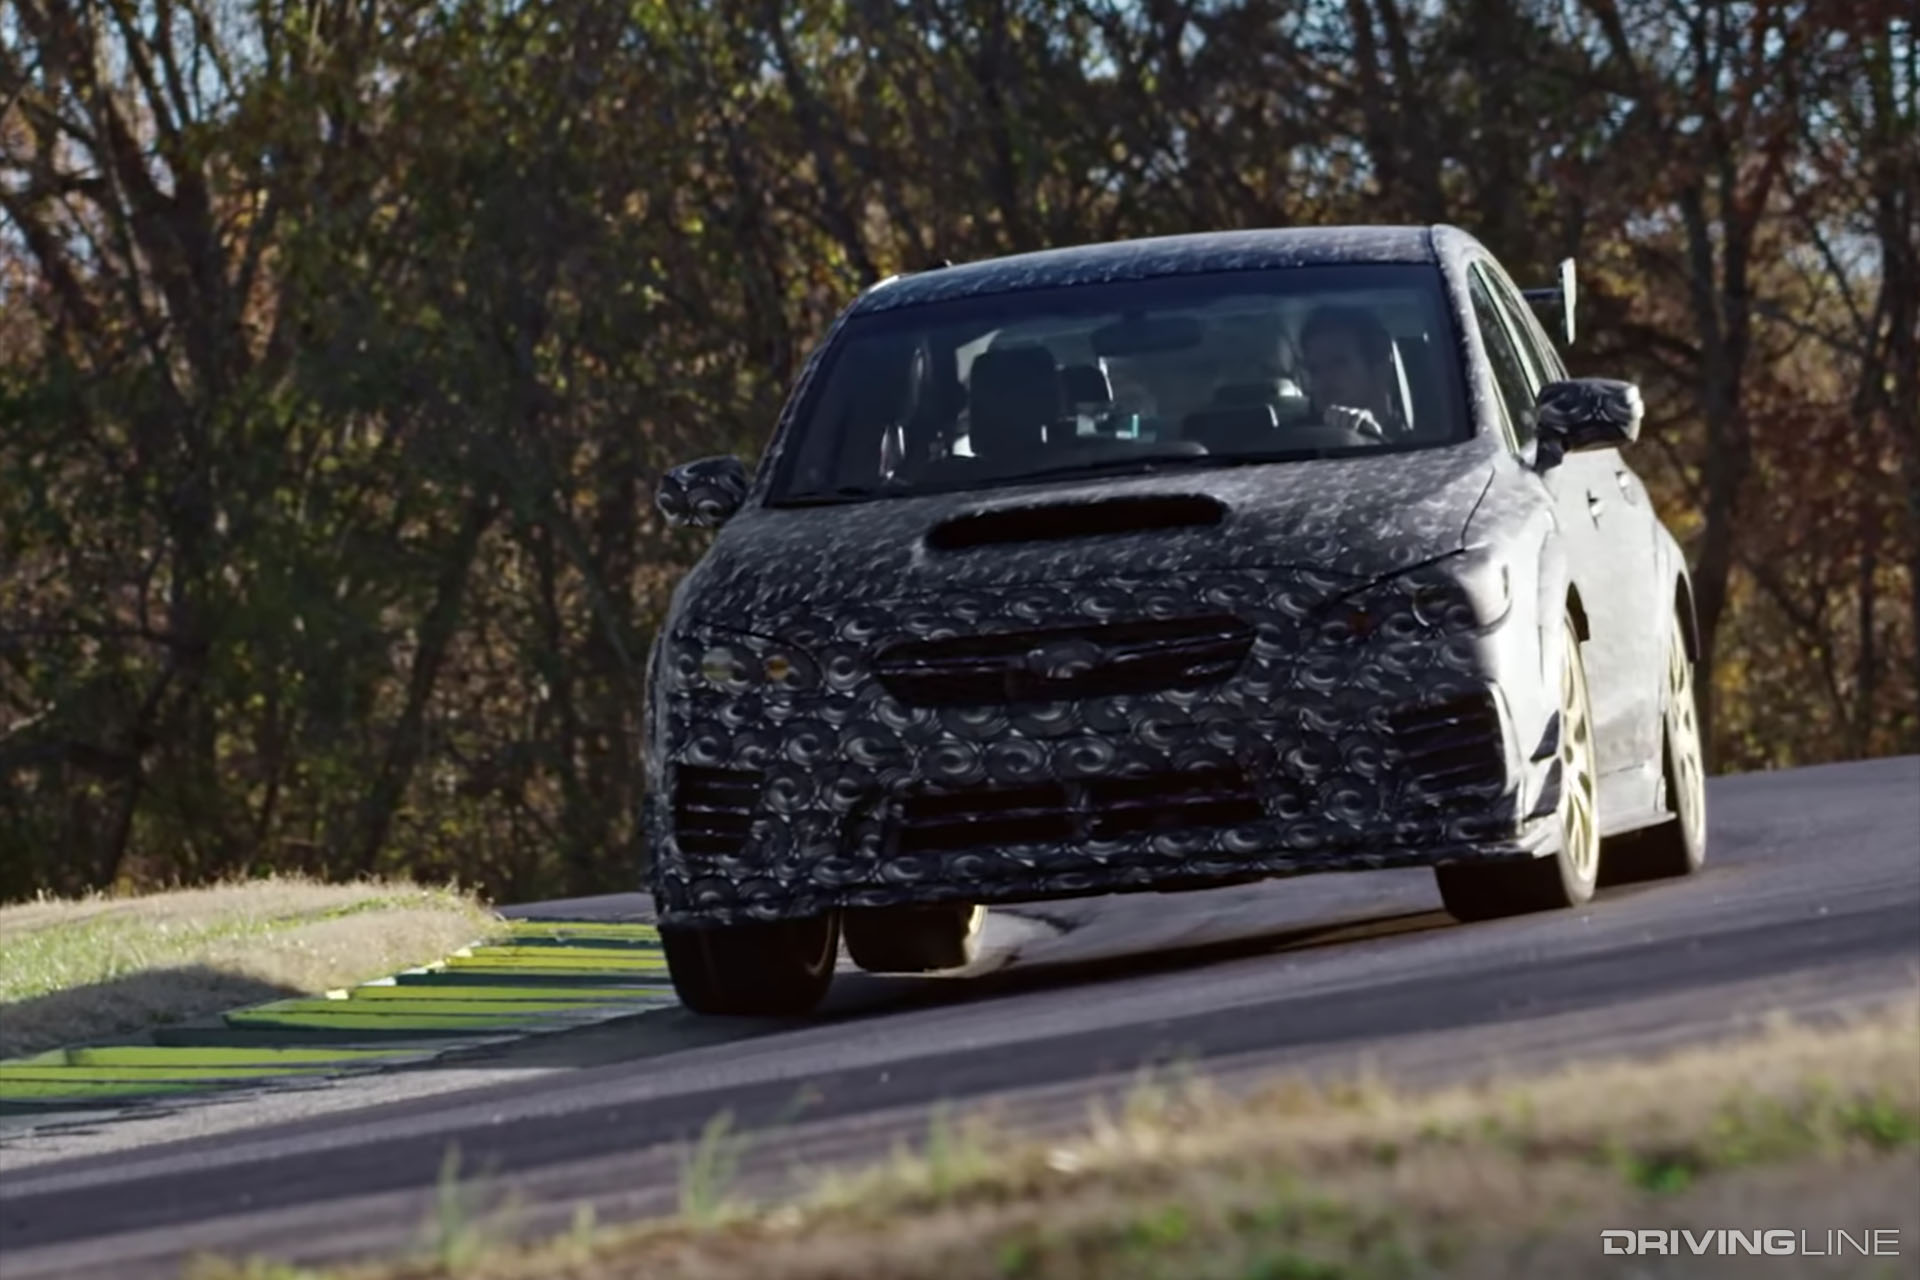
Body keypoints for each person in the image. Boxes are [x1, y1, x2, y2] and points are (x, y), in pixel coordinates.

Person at [1298, 305, 1410, 441]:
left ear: (1379, 370)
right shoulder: (1296, 442)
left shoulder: (1418, 442)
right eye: (1314, 369)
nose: (1323, 378)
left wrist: (1374, 438)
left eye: (1338, 363)